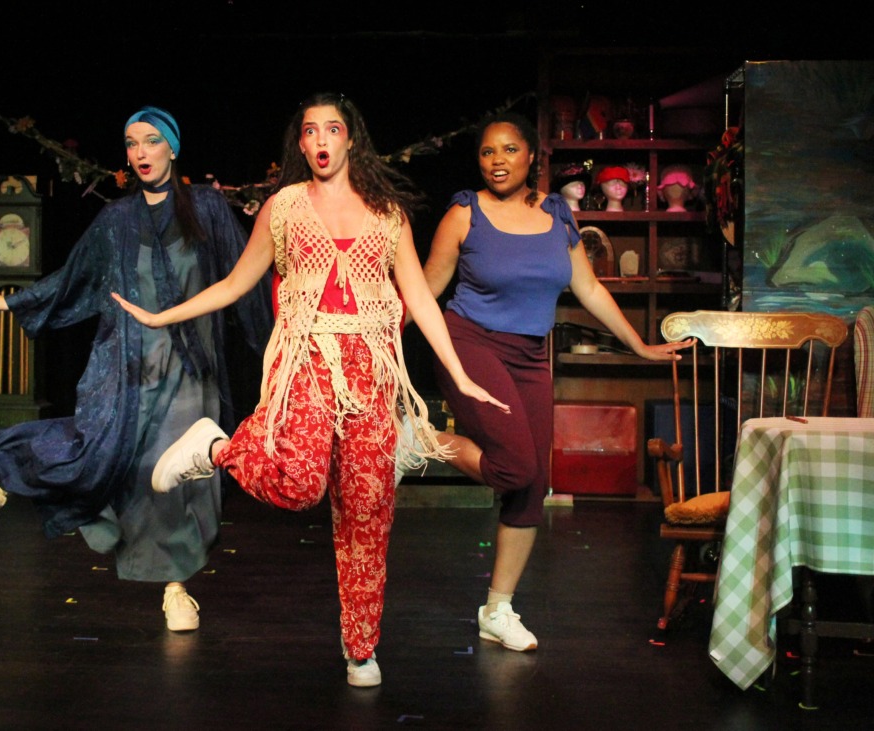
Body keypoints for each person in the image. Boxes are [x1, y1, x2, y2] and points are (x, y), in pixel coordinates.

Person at [111, 92, 509, 687]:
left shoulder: (387, 211)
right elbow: (234, 284)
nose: (321, 141)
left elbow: (419, 298)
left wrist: (461, 373)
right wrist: (160, 317)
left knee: (369, 512)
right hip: (306, 361)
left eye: (332, 129)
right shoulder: (285, 207)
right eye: (309, 132)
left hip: (372, 368)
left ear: (351, 139)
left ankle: (362, 648)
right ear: (300, 144)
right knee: (299, 483)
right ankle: (214, 450)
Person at [0, 106, 272, 633]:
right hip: (129, 365)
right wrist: (13, 303)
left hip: (191, 370)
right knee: (102, 455)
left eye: (151, 142)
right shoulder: (116, 220)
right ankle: (0, 474)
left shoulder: (208, 209)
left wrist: (276, 347)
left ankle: (176, 590)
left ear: (172, 148)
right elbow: (73, 276)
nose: (141, 153)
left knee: (182, 481)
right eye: (132, 144)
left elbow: (246, 279)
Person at [421, 112, 693, 654]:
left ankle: (497, 608)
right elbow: (425, 286)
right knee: (516, 464)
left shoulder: (557, 215)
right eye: (487, 152)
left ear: (531, 157)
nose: (497, 161)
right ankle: (423, 441)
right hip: (469, 344)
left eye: (509, 150)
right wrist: (377, 340)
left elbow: (587, 288)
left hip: (529, 355)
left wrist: (638, 344)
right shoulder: (464, 213)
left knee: (532, 482)